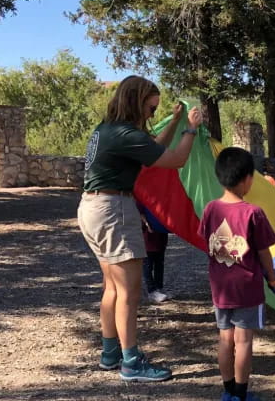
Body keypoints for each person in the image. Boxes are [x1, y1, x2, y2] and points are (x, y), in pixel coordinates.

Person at [78, 75, 202, 382]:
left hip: (92, 208)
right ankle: (131, 362)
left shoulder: (107, 129)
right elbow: (176, 160)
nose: (152, 115)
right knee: (130, 292)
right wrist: (191, 128)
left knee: (112, 287)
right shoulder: (124, 133)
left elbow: (151, 151)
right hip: (113, 211)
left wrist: (173, 122)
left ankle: (110, 354)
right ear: (136, 101)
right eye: (150, 109)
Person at [198, 147, 275, 401]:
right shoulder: (252, 213)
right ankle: (241, 398)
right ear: (246, 179)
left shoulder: (210, 209)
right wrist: (272, 277)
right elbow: (264, 251)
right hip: (246, 288)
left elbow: (206, 241)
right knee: (243, 342)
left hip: (220, 289)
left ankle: (228, 391)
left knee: (225, 340)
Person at [137, 201, 171, 304]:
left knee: (159, 262)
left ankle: (159, 288)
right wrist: (146, 222)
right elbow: (139, 210)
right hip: (147, 233)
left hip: (160, 233)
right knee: (148, 264)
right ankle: (151, 290)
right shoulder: (141, 195)